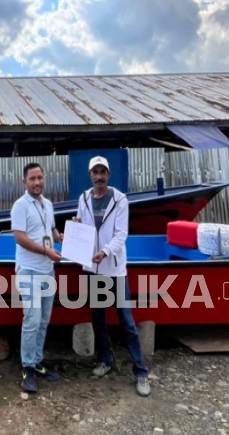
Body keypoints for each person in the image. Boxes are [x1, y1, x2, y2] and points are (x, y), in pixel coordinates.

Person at [74, 155, 150, 397]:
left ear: (108, 174)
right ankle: (105, 360)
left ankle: (140, 371)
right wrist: (76, 226)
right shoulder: (84, 198)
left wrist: (105, 252)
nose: (99, 176)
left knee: (127, 321)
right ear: (90, 175)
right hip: (93, 271)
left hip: (114, 270)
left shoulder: (120, 199)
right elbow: (84, 229)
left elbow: (121, 234)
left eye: (103, 171)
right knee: (98, 320)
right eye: (95, 172)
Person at [10, 162, 64, 393]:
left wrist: (65, 234)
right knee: (31, 320)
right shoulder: (20, 206)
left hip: (47, 270)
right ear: (25, 182)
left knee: (43, 320)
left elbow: (51, 232)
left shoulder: (48, 204)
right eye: (32, 178)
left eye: (40, 177)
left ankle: (38, 361)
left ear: (44, 179)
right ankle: (27, 368)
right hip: (29, 270)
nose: (37, 182)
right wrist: (45, 251)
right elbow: (19, 238)